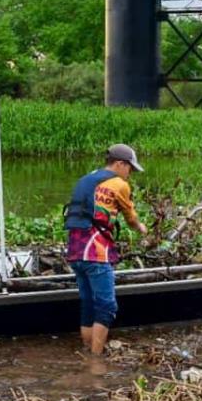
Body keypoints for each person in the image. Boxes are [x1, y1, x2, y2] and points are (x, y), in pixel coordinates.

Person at [64, 144, 148, 356]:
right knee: (107, 306)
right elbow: (130, 217)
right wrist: (141, 228)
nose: (130, 174)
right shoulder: (118, 184)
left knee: (89, 304)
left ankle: (87, 351)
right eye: (130, 168)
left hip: (75, 251)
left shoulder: (86, 179)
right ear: (120, 164)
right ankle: (95, 360)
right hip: (96, 252)